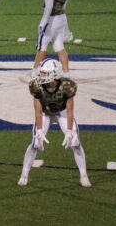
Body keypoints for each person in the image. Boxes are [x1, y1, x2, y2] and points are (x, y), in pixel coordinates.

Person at [18, 58, 91, 188]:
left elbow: (69, 111)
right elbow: (38, 111)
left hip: (62, 112)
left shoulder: (67, 86)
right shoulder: (36, 86)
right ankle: (24, 174)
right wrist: (39, 131)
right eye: (41, 72)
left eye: (44, 73)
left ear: (54, 74)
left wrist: (69, 131)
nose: (41, 75)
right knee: (35, 143)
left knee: (75, 142)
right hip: (45, 113)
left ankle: (83, 175)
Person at [33, 0, 72, 74]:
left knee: (42, 45)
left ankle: (35, 72)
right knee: (59, 46)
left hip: (51, 19)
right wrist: (61, 6)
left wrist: (43, 22)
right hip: (61, 16)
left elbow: (49, 5)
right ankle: (66, 73)